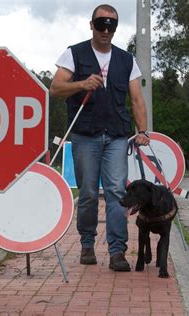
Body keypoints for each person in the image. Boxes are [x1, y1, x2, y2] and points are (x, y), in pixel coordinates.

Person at [50, 4, 149, 271]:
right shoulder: (74, 53)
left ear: (115, 29)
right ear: (91, 24)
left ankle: (117, 251)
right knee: (89, 193)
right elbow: (55, 88)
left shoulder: (127, 60)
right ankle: (87, 244)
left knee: (117, 191)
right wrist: (81, 84)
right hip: (84, 135)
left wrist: (142, 132)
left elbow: (137, 99)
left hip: (117, 136)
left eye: (111, 25)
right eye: (101, 24)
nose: (106, 30)